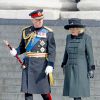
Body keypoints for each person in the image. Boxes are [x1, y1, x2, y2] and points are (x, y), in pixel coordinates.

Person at [10, 9, 56, 100]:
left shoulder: (48, 32)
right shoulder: (26, 31)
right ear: (32, 20)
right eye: (37, 20)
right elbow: (22, 47)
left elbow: (52, 51)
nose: (39, 21)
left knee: (45, 93)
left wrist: (50, 65)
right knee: (28, 93)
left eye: (41, 19)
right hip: (28, 65)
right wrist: (16, 51)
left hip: (42, 65)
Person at [61, 18, 95, 100]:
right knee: (73, 92)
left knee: (77, 92)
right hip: (70, 66)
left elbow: (90, 54)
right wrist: (64, 64)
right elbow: (66, 52)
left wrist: (91, 68)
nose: (72, 30)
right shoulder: (68, 37)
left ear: (79, 29)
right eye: (71, 28)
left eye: (75, 28)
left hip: (81, 68)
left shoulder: (86, 38)